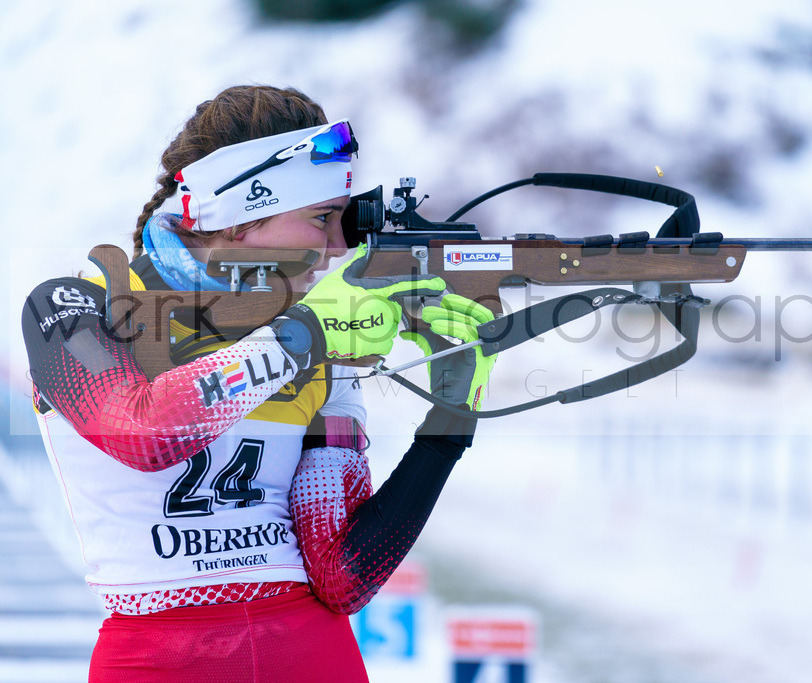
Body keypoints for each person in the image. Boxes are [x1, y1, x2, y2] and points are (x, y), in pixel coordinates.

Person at [21, 85, 495, 682]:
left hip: (314, 656)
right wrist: (306, 334)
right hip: (154, 659)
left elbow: (343, 576)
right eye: (322, 217)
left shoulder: (312, 338)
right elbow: (144, 434)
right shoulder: (72, 304)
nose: (337, 245)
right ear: (242, 214)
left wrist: (449, 421)